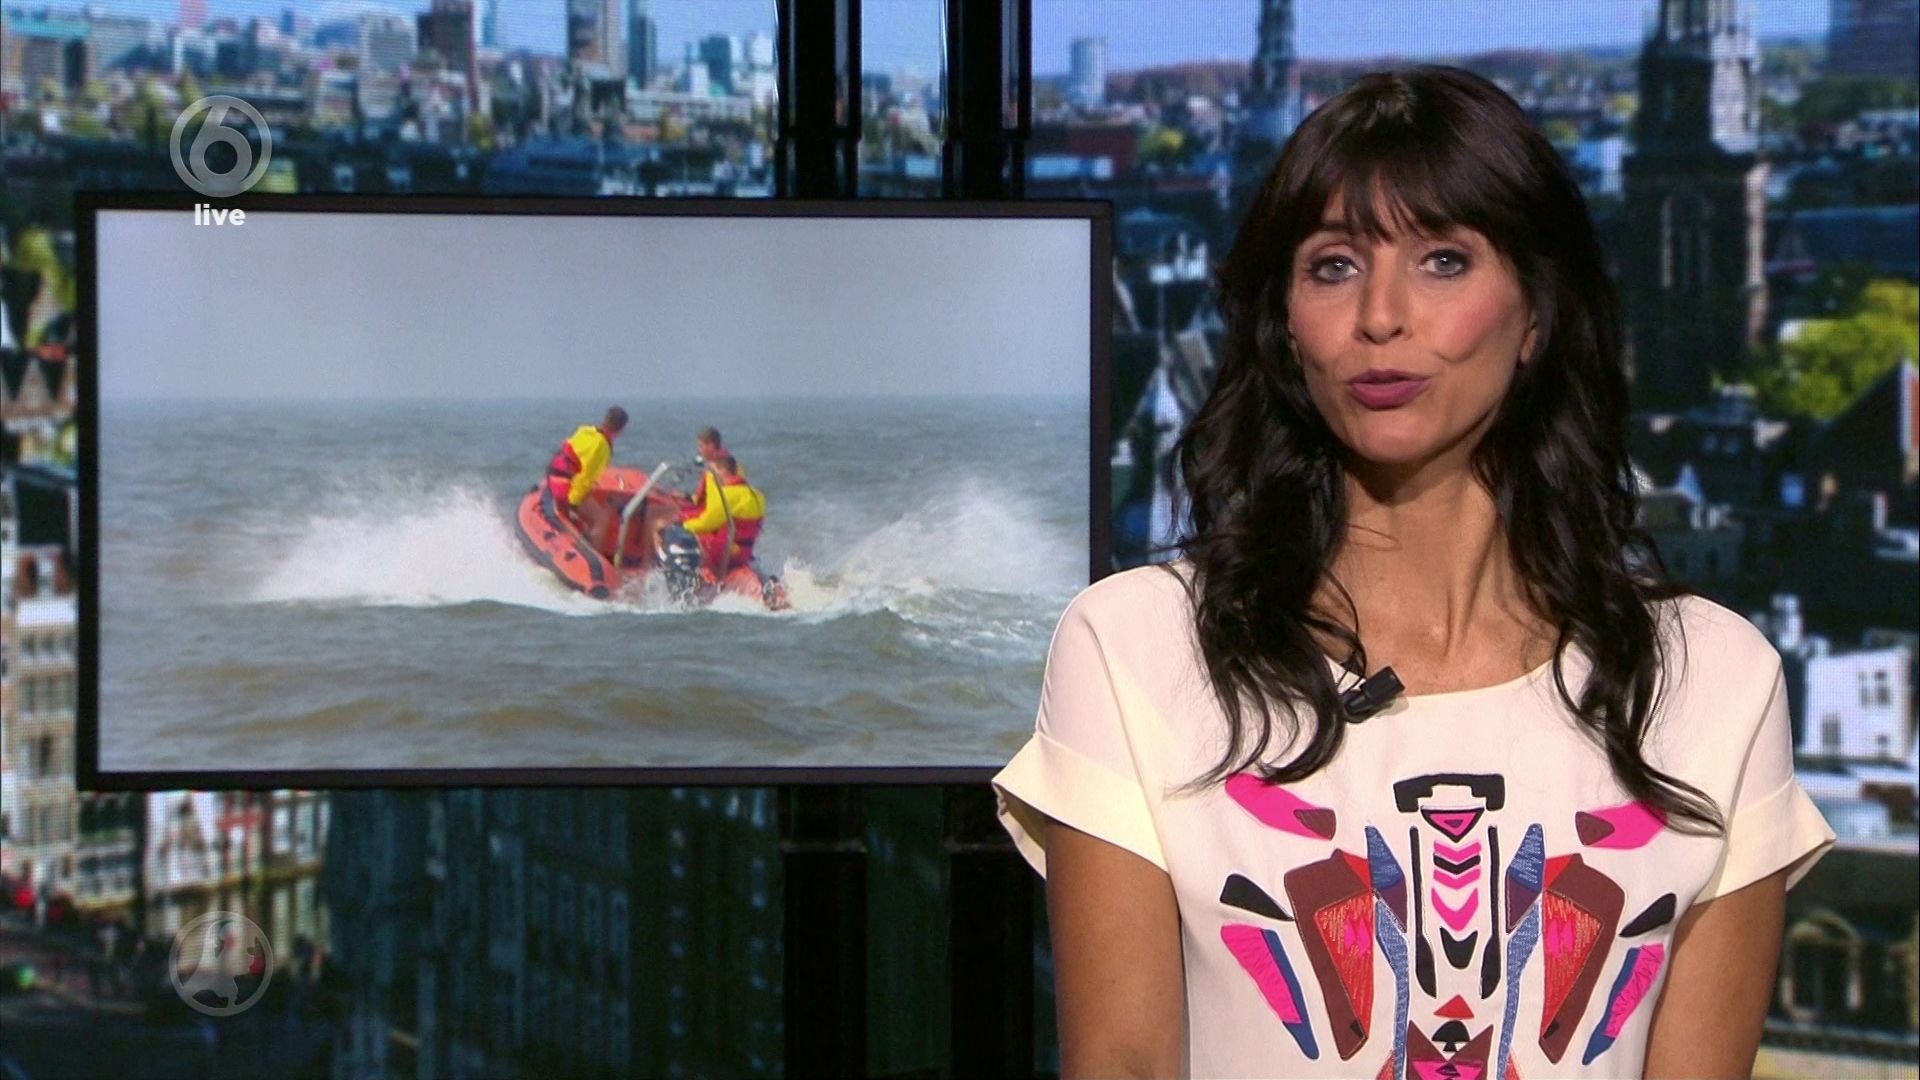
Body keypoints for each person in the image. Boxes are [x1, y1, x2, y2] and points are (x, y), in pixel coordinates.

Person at [992, 66, 1834, 1080]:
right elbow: (1122, 1062)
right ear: (1285, 323)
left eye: (1443, 260)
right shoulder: (1136, 652)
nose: (1381, 316)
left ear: (1535, 314)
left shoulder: (1714, 682)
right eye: (1334, 265)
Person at [545, 406, 627, 547]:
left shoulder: (587, 430)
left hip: (553, 473)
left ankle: (583, 536)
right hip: (565, 485)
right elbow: (585, 477)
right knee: (601, 520)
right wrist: (573, 504)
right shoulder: (601, 447)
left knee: (592, 505)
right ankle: (591, 554)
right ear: (621, 429)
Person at [678, 453, 765, 574]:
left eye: (713, 472)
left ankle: (704, 576)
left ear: (723, 470)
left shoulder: (726, 495)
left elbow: (706, 523)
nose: (711, 476)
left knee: (683, 538)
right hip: (747, 551)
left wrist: (682, 526)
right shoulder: (757, 495)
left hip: (729, 552)